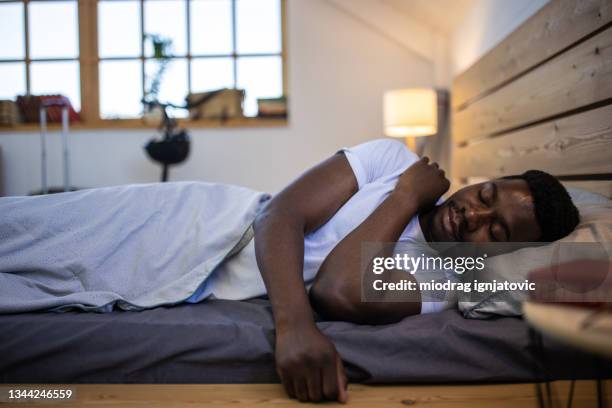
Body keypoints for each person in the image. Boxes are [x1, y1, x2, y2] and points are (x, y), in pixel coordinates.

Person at [0, 138, 579, 402]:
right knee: (22, 227)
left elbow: (339, 289)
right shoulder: (390, 159)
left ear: (496, 256)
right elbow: (280, 213)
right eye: (487, 194)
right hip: (202, 219)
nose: (472, 214)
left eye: (495, 231)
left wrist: (405, 200)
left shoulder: (441, 286)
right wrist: (292, 323)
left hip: (205, 279)